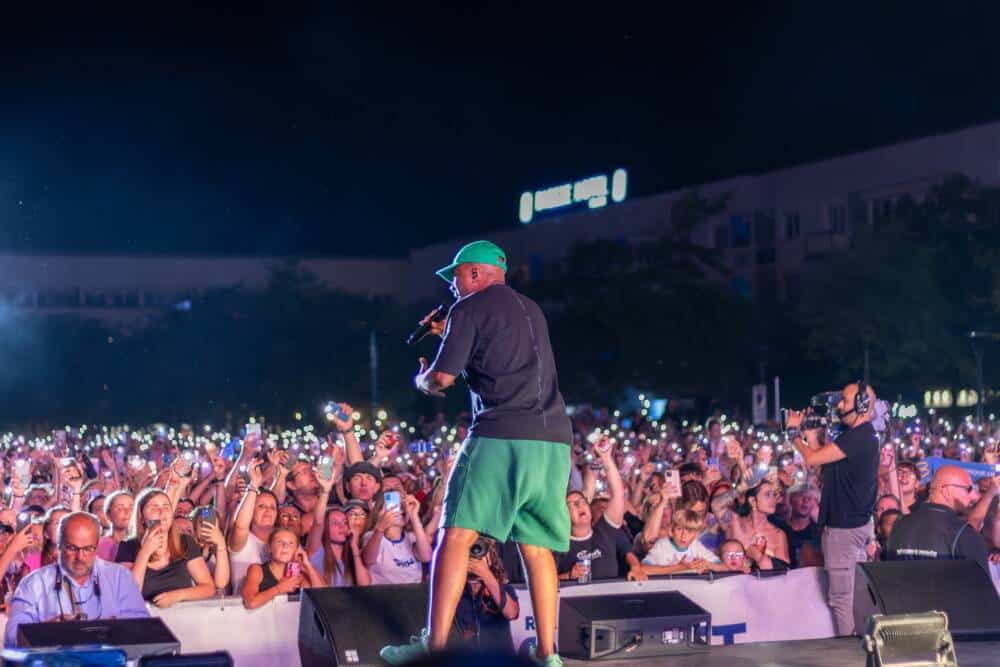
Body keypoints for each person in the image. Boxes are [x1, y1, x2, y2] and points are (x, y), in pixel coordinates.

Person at [382, 240, 571, 667]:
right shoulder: (532, 309)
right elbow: (499, 355)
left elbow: (442, 379)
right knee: (537, 547)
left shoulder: (467, 308)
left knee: (456, 535)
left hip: (501, 433)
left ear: (474, 273)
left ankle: (435, 647)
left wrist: (421, 379)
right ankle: (548, 654)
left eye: (455, 277)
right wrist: (450, 333)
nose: (451, 286)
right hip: (554, 441)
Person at [785, 381, 879, 636]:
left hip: (843, 531)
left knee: (841, 599)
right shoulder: (859, 437)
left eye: (845, 401)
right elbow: (823, 467)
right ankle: (860, 646)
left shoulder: (859, 437)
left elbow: (811, 458)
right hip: (850, 529)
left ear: (862, 405)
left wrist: (793, 434)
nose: (839, 406)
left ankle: (849, 654)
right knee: (853, 596)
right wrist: (811, 438)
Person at [5, 512, 149, 647]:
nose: (80, 557)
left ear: (97, 546)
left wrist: (113, 628)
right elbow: (12, 637)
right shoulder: (33, 583)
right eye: (72, 548)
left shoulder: (120, 577)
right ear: (59, 546)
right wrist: (47, 631)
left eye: (88, 549)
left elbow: (142, 628)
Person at [114, 489, 215, 607]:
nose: (161, 512)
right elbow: (129, 595)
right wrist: (144, 553)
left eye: (166, 507)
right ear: (141, 517)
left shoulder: (185, 542)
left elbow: (208, 588)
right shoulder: (127, 547)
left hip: (182, 615)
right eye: (154, 508)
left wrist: (178, 595)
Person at [886, 465, 988, 572]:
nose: (972, 496)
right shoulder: (964, 534)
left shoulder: (899, 524)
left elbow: (887, 572)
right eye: (968, 489)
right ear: (946, 491)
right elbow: (980, 582)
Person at [455, 540, 520, 653]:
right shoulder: (454, 591)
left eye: (480, 552)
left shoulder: (502, 587)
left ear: (490, 559)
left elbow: (512, 613)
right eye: (470, 553)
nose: (475, 558)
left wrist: (486, 574)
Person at [241, 528, 323, 609]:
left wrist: (308, 566)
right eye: (279, 542)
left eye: (291, 543)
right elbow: (250, 602)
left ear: (296, 550)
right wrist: (279, 588)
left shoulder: (299, 575)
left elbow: (323, 597)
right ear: (269, 547)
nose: (285, 546)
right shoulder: (257, 570)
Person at [227, 463, 277, 592]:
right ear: (251, 511)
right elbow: (240, 526)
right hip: (245, 604)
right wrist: (253, 486)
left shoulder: (283, 540)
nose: (268, 510)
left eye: (272, 507)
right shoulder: (244, 542)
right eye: (261, 506)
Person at [640, 509, 725, 575]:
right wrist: (681, 567)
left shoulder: (696, 546)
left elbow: (723, 567)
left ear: (696, 535)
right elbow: (643, 569)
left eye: (690, 531)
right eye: (679, 529)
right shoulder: (662, 545)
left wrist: (707, 565)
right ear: (671, 530)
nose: (684, 535)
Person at [769, 484, 821, 568]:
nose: (806, 501)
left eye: (810, 498)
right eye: (801, 496)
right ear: (791, 500)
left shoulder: (818, 532)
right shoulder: (778, 527)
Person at [97, 491, 133, 561]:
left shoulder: (142, 543)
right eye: (120, 508)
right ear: (108, 514)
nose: (127, 512)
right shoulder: (99, 544)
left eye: (131, 508)